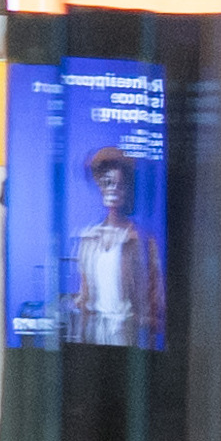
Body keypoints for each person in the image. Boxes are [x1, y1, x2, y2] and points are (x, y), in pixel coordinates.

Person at [70, 148, 164, 350]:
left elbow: (155, 297)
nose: (112, 189)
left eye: (119, 185)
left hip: (127, 335)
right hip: (94, 334)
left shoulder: (142, 240)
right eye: (106, 183)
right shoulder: (89, 239)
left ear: (128, 189)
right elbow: (84, 296)